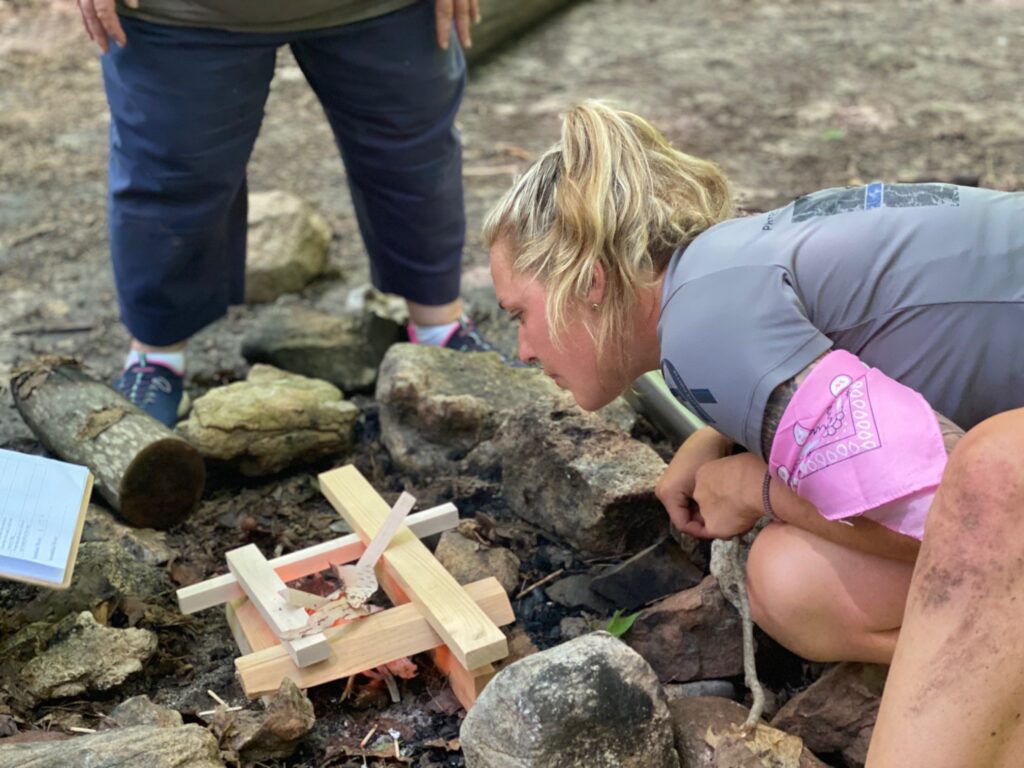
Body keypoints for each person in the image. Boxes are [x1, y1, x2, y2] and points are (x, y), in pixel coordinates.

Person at [483, 101, 1024, 767]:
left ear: (589, 284)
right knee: (787, 579)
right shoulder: (716, 276)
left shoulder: (708, 332)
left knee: (792, 572)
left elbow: (964, 530)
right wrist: (720, 435)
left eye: (521, 314)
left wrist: (754, 486)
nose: (523, 349)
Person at [76, 0, 501, 426]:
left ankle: (439, 327)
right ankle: (156, 357)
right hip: (182, 13)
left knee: (412, 154)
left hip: (384, 8)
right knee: (171, 168)